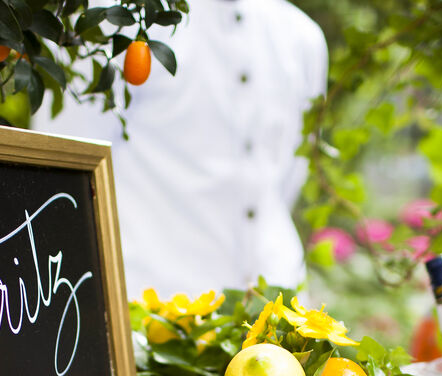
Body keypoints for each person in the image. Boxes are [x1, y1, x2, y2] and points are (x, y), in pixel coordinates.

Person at [36, 0, 328, 299]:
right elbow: (65, 173)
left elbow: (288, 176)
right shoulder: (111, 14)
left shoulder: (303, 38)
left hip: (278, 308)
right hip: (149, 310)